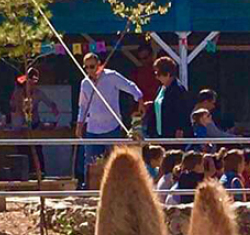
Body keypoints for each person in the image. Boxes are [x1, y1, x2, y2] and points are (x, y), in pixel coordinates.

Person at [77, 52, 143, 186]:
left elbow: (129, 86)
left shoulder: (111, 76)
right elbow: (83, 107)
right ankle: (89, 188)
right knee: (90, 161)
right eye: (87, 67)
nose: (90, 70)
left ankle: (118, 187)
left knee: (116, 160)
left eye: (92, 66)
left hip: (112, 127)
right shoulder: (85, 83)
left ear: (99, 65)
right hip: (93, 129)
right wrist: (79, 125)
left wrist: (139, 98)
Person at [11, 67, 59, 178]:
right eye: (30, 82)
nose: (32, 85)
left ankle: (40, 174)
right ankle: (22, 176)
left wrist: (54, 108)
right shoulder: (18, 92)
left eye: (34, 82)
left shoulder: (38, 93)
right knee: (23, 151)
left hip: (35, 125)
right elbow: (14, 107)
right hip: (21, 126)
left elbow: (50, 103)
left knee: (38, 151)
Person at [144, 56, 192, 141]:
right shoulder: (161, 88)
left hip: (172, 134)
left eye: (158, 74)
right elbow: (162, 104)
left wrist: (180, 129)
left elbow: (183, 111)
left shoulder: (178, 89)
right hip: (159, 133)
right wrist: (151, 105)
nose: (156, 77)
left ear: (168, 74)